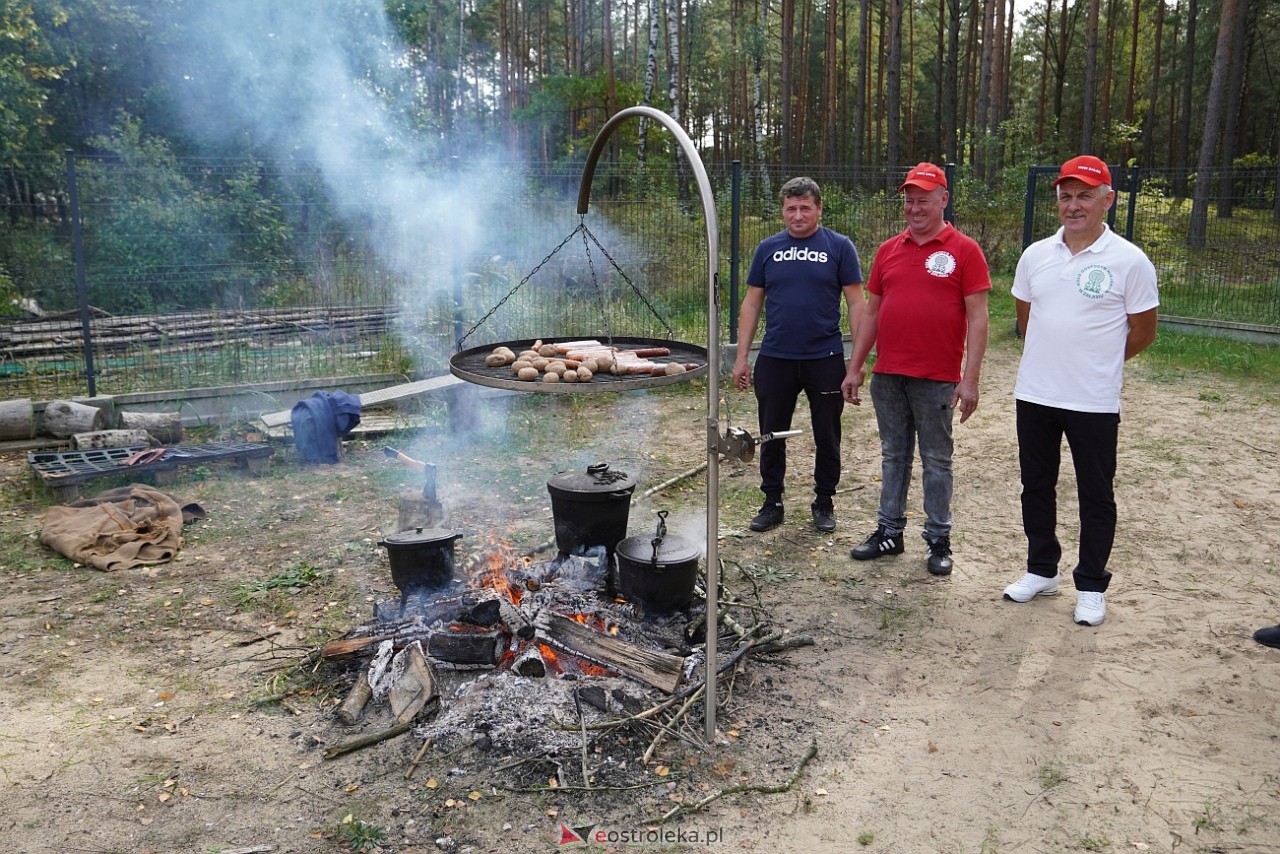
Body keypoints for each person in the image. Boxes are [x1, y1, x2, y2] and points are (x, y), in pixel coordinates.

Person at [1001, 155, 1159, 626]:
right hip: (1035, 394)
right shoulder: (1035, 256)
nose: (1074, 205)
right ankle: (1041, 569)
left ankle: (1090, 584)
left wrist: (1099, 364)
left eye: (1085, 195)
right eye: (1066, 196)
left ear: (1107, 200)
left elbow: (1144, 331)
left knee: (1095, 494)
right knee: (1036, 486)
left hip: (1091, 399)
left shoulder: (1129, 261)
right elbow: (1027, 321)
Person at [842, 162, 991, 576]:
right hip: (889, 376)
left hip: (937, 378)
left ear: (944, 199)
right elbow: (871, 313)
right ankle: (889, 532)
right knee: (894, 456)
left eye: (923, 199)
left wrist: (970, 379)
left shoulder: (964, 250)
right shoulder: (888, 250)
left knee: (937, 459)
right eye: (909, 200)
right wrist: (855, 368)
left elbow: (978, 318)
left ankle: (938, 539)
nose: (915, 207)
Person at [733, 176, 865, 534]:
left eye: (805, 207)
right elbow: (751, 303)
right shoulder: (768, 249)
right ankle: (771, 501)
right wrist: (742, 356)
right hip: (776, 357)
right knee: (771, 433)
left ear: (819, 209)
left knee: (827, 432)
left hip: (825, 357)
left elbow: (856, 302)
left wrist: (857, 360)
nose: (798, 215)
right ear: (782, 211)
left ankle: (824, 502)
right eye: (791, 208)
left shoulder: (839, 247)